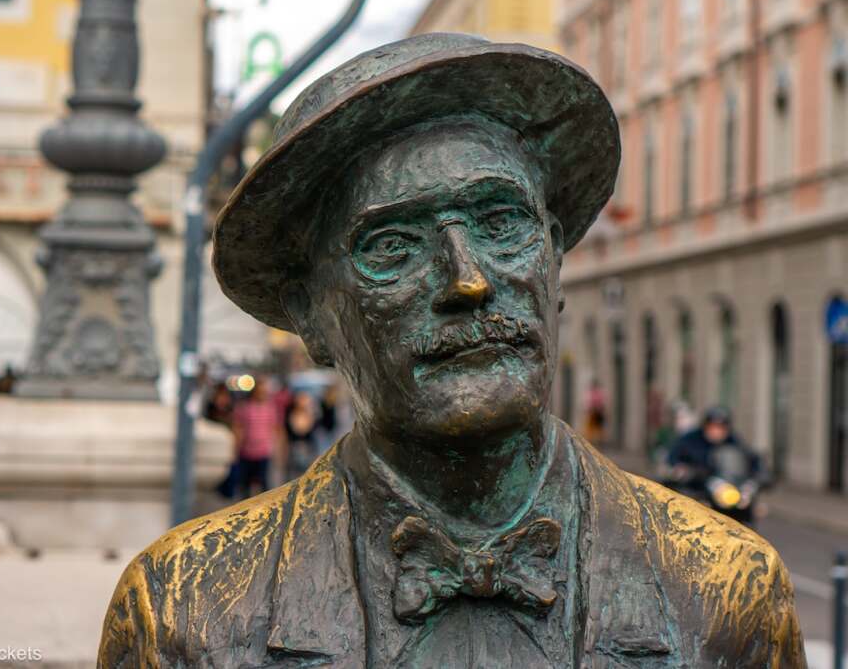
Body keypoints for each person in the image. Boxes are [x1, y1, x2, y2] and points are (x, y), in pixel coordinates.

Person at [100, 34, 803, 667]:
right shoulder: (182, 607)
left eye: (501, 222)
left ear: (554, 259)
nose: (468, 281)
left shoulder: (728, 588)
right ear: (312, 313)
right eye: (392, 245)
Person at [667, 405, 763, 490]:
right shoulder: (689, 440)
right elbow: (673, 460)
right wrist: (683, 470)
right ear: (705, 426)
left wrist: (755, 479)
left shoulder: (734, 442)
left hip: (726, 489)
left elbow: (751, 460)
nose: (716, 432)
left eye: (721, 428)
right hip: (695, 490)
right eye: (713, 427)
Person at [230, 377, 284, 498]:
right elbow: (237, 428)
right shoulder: (244, 407)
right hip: (246, 452)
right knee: (244, 486)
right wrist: (235, 449)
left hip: (263, 453)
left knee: (264, 486)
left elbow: (276, 429)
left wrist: (278, 451)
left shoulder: (271, 408)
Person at [282, 390, 320, 482]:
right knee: (293, 471)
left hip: (307, 446)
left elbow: (310, 428)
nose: (303, 402)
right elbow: (296, 429)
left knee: (307, 470)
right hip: (294, 445)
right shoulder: (291, 413)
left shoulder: (310, 413)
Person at [582, 378, 607, 444]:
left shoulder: (597, 392)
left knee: (597, 427)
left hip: (596, 412)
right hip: (594, 411)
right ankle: (593, 440)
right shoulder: (592, 392)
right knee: (592, 427)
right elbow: (588, 402)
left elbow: (600, 402)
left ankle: (597, 440)